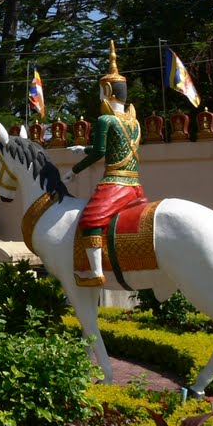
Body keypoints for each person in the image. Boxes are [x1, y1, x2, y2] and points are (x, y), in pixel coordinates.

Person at [63, 42, 146, 286]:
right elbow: (112, 148)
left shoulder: (105, 119)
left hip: (116, 182)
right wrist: (82, 149)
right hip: (135, 184)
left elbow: (101, 152)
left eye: (101, 89)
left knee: (90, 220)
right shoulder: (135, 122)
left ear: (107, 89)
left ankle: (96, 272)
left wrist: (74, 171)